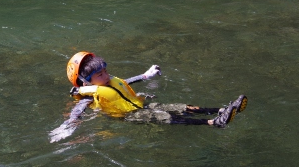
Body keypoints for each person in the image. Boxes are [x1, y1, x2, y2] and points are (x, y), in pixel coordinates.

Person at [49, 51, 248, 143]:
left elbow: (125, 82)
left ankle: (222, 109)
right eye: (100, 75)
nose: (106, 76)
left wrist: (145, 75)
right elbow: (77, 111)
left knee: (179, 106)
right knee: (166, 117)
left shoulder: (108, 82)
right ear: (86, 82)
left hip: (139, 105)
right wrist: (66, 127)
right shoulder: (88, 97)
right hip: (130, 115)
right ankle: (215, 122)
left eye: (105, 71)